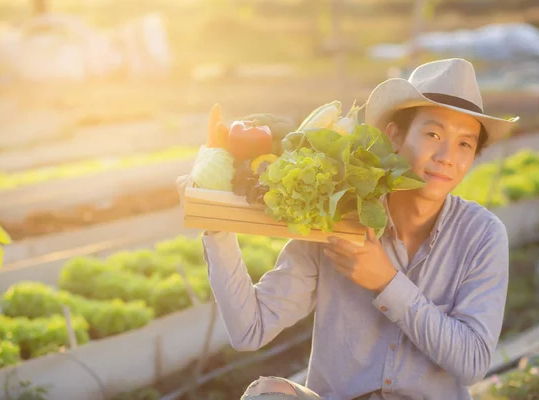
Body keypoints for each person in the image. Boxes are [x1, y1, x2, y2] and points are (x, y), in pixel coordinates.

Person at [176, 58, 520, 400]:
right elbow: (250, 329)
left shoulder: (482, 235)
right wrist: (216, 224)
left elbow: (473, 362)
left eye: (465, 143)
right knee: (267, 395)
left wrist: (386, 281)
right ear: (394, 136)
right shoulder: (337, 217)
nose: (447, 156)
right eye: (433, 134)